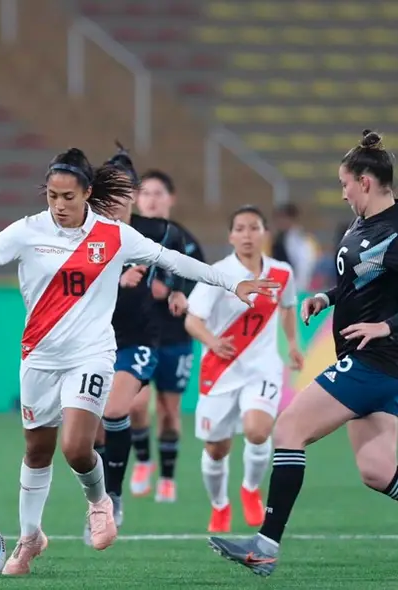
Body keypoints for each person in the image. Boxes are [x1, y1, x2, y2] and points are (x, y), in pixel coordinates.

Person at [0, 148, 278, 575]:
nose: (59, 205)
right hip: (39, 356)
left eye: (68, 196)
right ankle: (30, 538)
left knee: (75, 447)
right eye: (52, 196)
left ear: (87, 193)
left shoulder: (114, 235)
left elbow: (173, 260)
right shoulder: (28, 231)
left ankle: (99, 502)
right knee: (37, 450)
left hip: (91, 355)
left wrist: (232, 283)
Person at [209, 130, 398, 577]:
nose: (343, 193)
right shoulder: (360, 225)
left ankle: (265, 545)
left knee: (290, 426)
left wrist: (386, 326)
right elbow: (359, 282)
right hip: (371, 362)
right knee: (377, 469)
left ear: (365, 182)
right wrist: (327, 299)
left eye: (345, 184)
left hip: (374, 361)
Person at [83, 148, 192, 544]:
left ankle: (114, 497)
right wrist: (116, 281)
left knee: (119, 408)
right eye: (108, 190)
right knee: (90, 434)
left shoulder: (158, 231)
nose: (116, 198)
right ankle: (100, 500)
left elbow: (182, 256)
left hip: (140, 338)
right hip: (93, 340)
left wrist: (178, 290)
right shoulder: (87, 233)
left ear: (133, 193)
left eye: (123, 190)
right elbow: (73, 282)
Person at [184, 205, 302, 534]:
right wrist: (213, 341)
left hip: (262, 369)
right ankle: (220, 504)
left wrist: (293, 343)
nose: (247, 235)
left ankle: (250, 489)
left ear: (265, 233)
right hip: (220, 370)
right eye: (240, 229)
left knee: (258, 431)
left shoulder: (282, 273)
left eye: (253, 227)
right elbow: (193, 320)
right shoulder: (218, 274)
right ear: (230, 236)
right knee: (216, 448)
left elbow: (288, 307)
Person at [128, 170, 206, 503]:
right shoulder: (127, 236)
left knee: (169, 410)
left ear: (171, 199)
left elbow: (201, 280)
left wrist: (175, 291)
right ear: (135, 198)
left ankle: (168, 477)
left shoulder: (185, 240)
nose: (151, 200)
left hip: (175, 336)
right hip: (136, 335)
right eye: (145, 193)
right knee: (135, 405)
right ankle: (143, 460)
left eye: (158, 193)